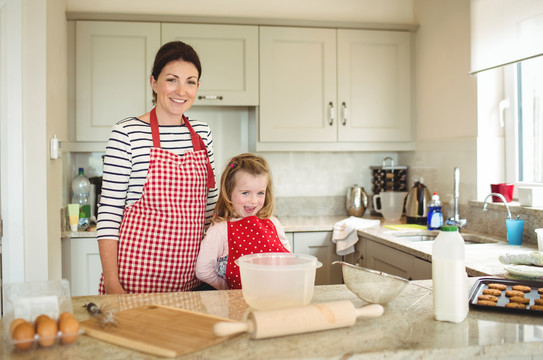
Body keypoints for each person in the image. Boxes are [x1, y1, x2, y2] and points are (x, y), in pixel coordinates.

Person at [96, 41, 218, 294]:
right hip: (135, 282)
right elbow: (109, 213)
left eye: (190, 82)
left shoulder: (203, 134)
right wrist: (112, 284)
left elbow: (210, 210)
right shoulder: (127, 133)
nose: (181, 91)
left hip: (192, 281)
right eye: (172, 80)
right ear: (154, 83)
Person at [195, 153, 291, 290]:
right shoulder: (220, 229)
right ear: (228, 192)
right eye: (245, 193)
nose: (253, 201)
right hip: (235, 303)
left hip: (274, 297)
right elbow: (203, 270)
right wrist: (226, 289)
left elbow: (288, 258)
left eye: (260, 193)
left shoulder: (273, 223)